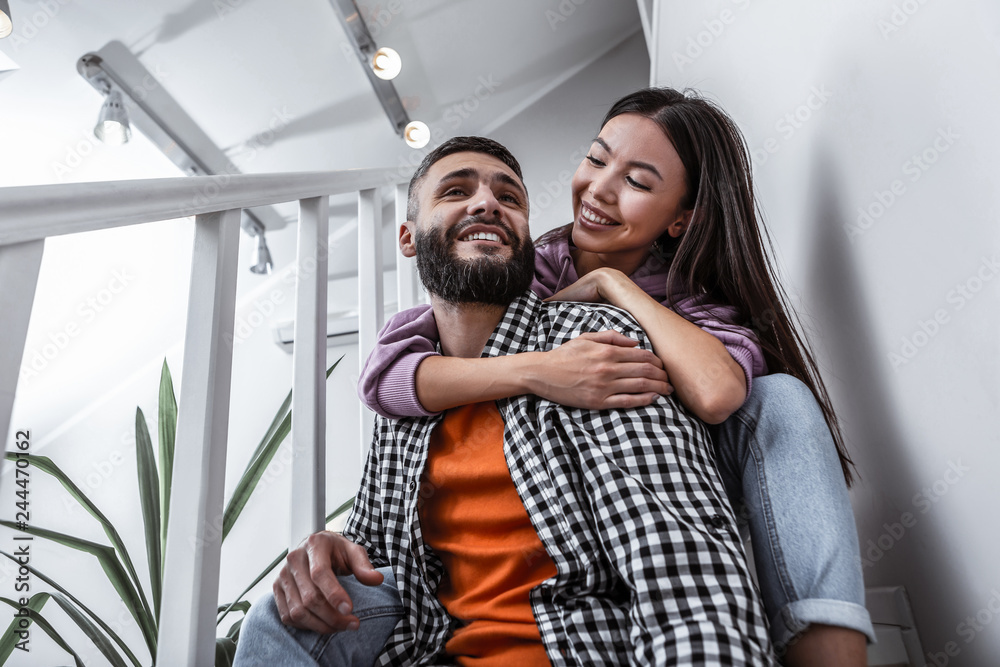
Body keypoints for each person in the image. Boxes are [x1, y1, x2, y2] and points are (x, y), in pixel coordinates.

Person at [358, 88, 874, 665]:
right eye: (598, 159)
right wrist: (542, 370)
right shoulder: (526, 267)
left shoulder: (694, 304)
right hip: (572, 494)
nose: (600, 189)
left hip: (678, 493)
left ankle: (832, 648)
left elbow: (718, 393)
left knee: (780, 398)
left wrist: (615, 289)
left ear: (682, 218)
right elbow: (385, 379)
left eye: (638, 182)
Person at [235, 136, 775, 666]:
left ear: (525, 240)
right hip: (424, 650)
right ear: (408, 238)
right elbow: (381, 553)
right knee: (280, 617)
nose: (487, 202)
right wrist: (332, 548)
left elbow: (683, 573)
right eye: (455, 191)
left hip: (569, 649)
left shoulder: (595, 347)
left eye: (509, 197)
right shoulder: (410, 402)